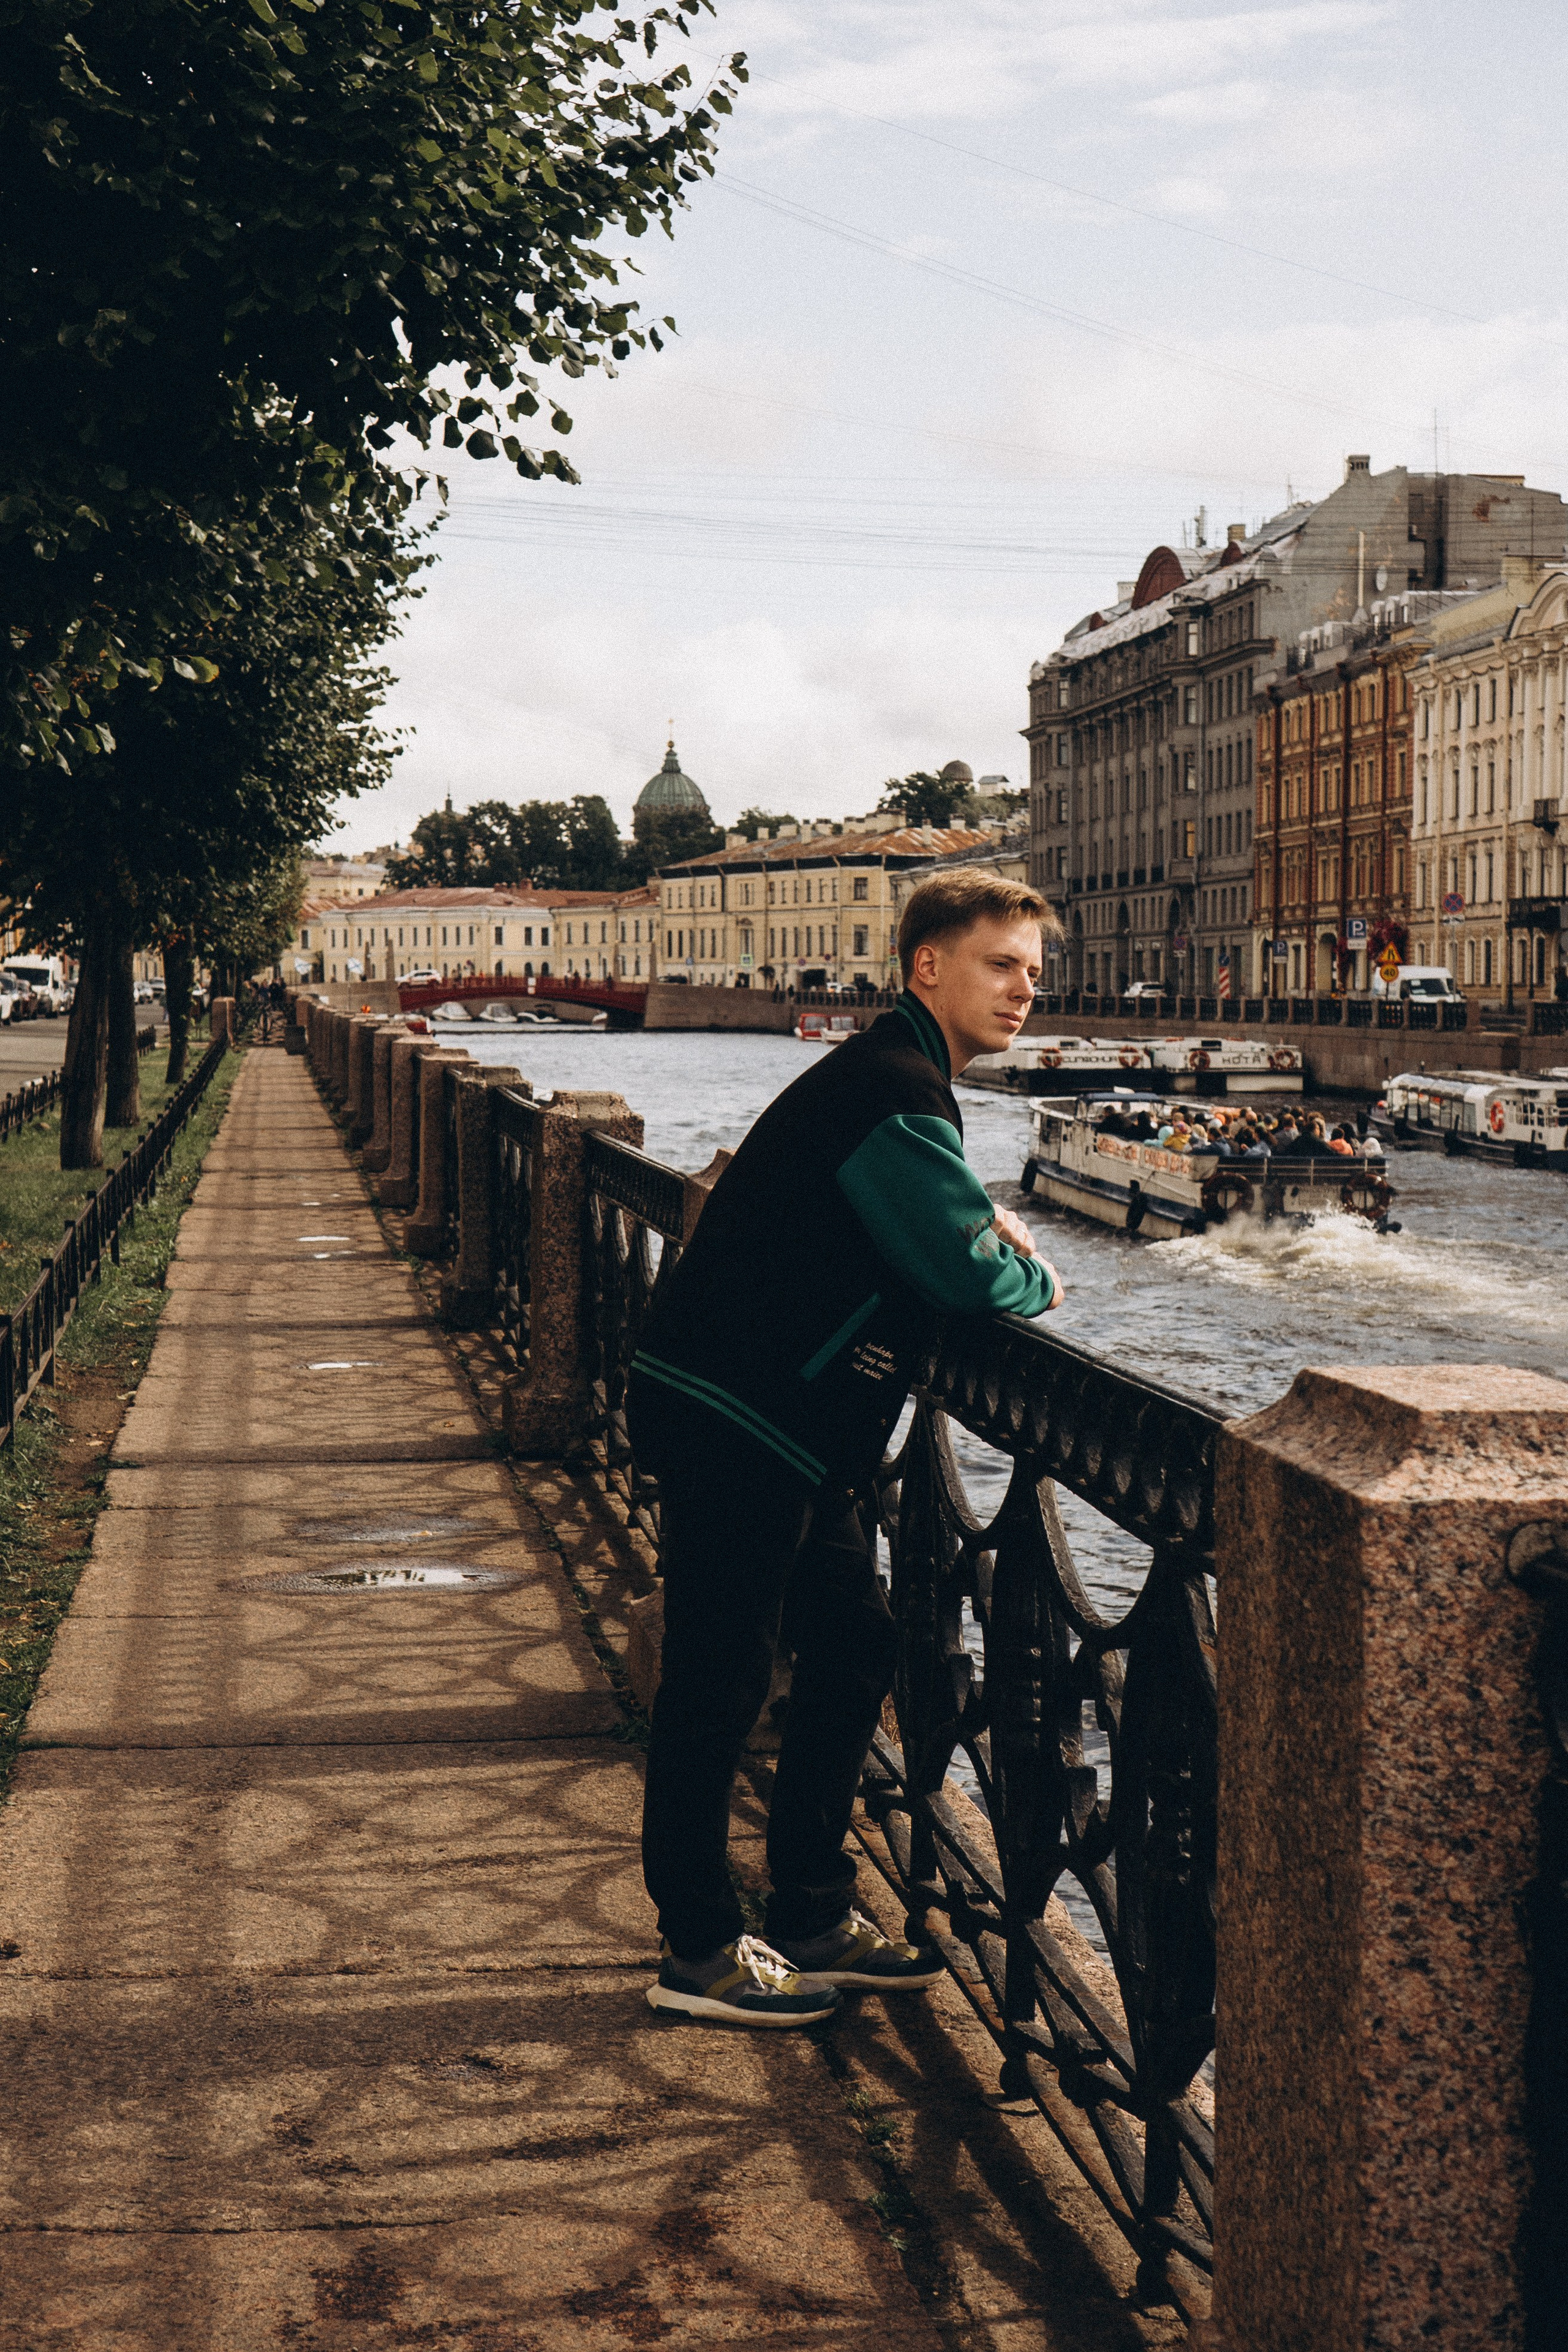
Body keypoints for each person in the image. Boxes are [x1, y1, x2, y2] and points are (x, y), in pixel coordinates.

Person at [628, 871, 1065, 2029]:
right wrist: (1033, 1270)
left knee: (855, 1643)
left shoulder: (895, 1075)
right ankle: (699, 1949)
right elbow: (966, 1268)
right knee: (720, 1675)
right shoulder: (894, 1089)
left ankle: (812, 1912)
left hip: (780, 1418)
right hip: (743, 1413)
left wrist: (973, 1219)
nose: (1025, 989)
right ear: (929, 966)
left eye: (1032, 970)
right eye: (1001, 965)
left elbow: (925, 1220)